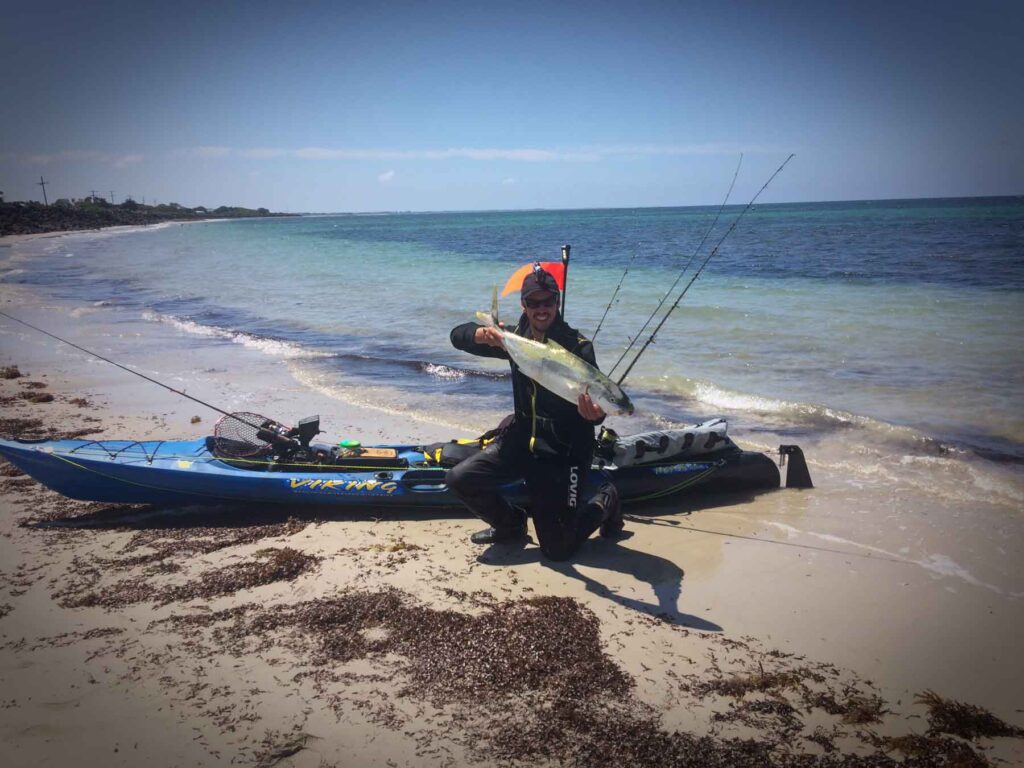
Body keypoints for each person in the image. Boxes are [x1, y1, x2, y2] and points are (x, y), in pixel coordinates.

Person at [447, 265, 623, 561]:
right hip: (521, 441)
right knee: (458, 479)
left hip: (562, 454)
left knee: (558, 550)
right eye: (533, 303)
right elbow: (456, 337)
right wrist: (480, 334)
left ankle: (607, 497)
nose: (541, 309)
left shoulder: (578, 348)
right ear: (523, 305)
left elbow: (599, 398)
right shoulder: (516, 341)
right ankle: (511, 524)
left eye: (548, 302)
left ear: (557, 301)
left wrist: (598, 416)